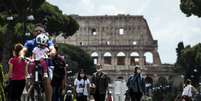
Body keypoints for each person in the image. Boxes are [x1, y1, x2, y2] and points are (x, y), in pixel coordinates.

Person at [20, 24, 56, 101]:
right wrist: (22, 55)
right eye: (36, 31)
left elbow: (52, 49)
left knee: (46, 82)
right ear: (34, 33)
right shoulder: (29, 42)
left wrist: (51, 53)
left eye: (41, 31)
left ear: (44, 32)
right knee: (28, 81)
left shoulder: (48, 42)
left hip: (46, 65)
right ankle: (31, 96)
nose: (38, 32)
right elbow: (23, 50)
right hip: (34, 64)